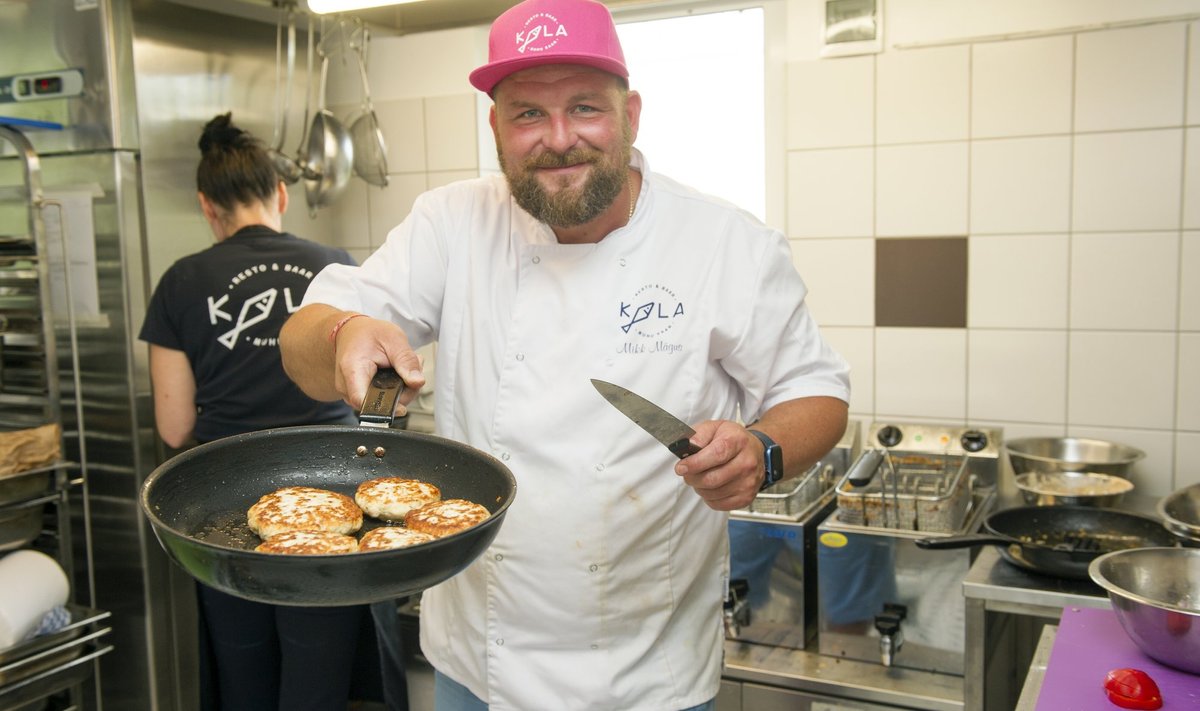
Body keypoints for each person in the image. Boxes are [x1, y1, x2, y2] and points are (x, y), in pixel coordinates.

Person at [278, 0, 851, 707]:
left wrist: (762, 449)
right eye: (527, 115)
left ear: (631, 114)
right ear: (495, 126)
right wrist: (342, 336)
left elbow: (819, 393)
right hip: (478, 661)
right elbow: (301, 339)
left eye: (585, 107)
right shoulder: (452, 223)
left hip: (647, 670)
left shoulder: (726, 243)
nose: (558, 139)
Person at [138, 112, 408, 711]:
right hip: (333, 485)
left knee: (244, 673)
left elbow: (175, 425)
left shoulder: (180, 281)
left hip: (222, 506)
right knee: (325, 670)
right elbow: (370, 386)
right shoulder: (333, 261)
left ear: (208, 207)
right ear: (281, 193)